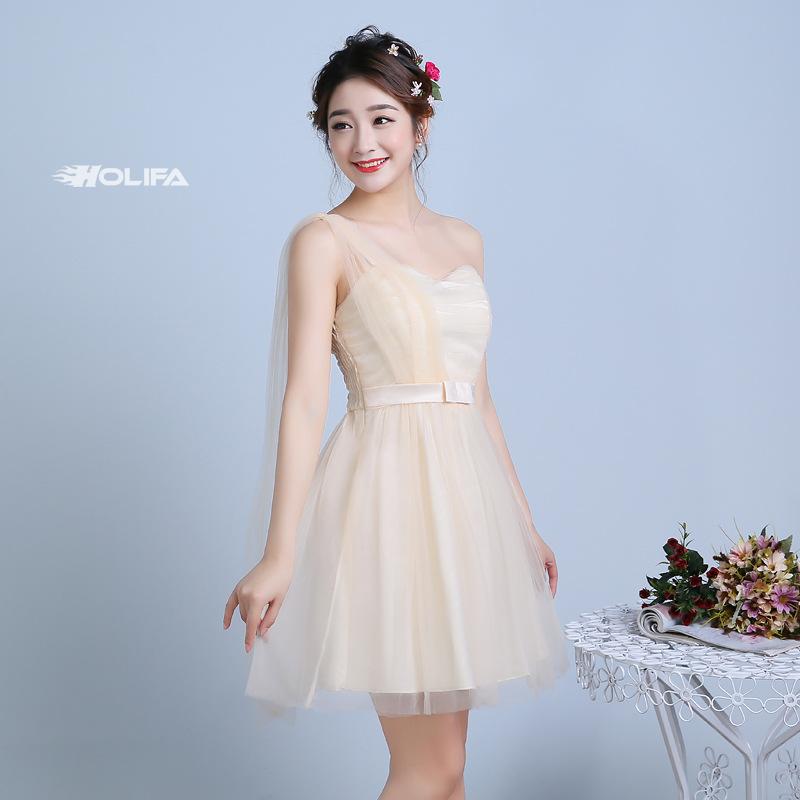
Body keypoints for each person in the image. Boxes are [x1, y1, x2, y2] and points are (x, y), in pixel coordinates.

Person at [223, 24, 569, 800]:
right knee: (428, 769)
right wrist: (280, 553)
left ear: (421, 122)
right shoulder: (324, 241)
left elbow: (478, 395)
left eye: (381, 118)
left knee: (451, 773)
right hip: (389, 505)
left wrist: (522, 521)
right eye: (341, 124)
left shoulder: (464, 241)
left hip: (466, 506)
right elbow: (304, 399)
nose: (362, 142)